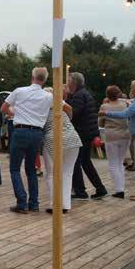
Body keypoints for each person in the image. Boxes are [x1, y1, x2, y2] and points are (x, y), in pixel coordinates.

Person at [1, 68, 52, 213]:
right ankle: (34, 203)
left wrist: (14, 114)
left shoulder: (19, 91)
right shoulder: (47, 96)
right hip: (37, 133)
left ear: (32, 77)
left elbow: (3, 108)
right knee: (31, 169)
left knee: (15, 168)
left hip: (20, 130)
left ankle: (21, 202)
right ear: (44, 80)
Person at [100, 79, 135, 202]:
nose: (130, 90)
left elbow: (124, 114)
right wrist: (126, 100)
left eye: (132, 88)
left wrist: (106, 113)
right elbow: (130, 104)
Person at [68, 72, 108, 200]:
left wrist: (65, 105)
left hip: (81, 133)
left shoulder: (78, 95)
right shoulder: (85, 93)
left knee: (76, 162)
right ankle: (100, 188)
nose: (67, 83)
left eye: (68, 80)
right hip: (87, 132)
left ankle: (80, 191)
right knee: (85, 162)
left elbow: (75, 113)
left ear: (73, 82)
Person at [42, 86, 82, 214]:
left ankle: (55, 204)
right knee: (67, 173)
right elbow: (70, 109)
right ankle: (65, 204)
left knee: (51, 173)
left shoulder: (41, 108)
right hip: (73, 138)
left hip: (53, 139)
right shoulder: (61, 106)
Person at [98, 86, 131, 199]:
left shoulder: (104, 106)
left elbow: (101, 123)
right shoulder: (125, 105)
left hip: (111, 136)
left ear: (107, 95)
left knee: (113, 163)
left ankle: (119, 190)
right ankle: (121, 187)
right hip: (125, 135)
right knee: (120, 162)